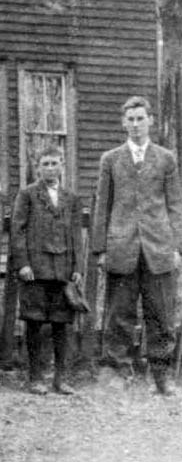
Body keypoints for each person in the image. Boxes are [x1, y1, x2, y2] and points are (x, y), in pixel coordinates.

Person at [92, 95, 182, 395]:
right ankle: (115, 373)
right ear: (123, 123)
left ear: (150, 121)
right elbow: (102, 206)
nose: (135, 125)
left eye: (140, 119)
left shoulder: (166, 159)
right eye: (130, 120)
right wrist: (101, 249)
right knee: (119, 314)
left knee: (161, 314)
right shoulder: (111, 160)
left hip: (158, 249)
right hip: (122, 247)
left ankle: (161, 375)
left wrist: (177, 247)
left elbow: (175, 206)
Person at [11, 145, 83, 395]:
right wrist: (23, 264)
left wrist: (77, 267)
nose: (50, 168)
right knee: (35, 324)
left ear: (63, 165)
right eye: (45, 164)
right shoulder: (27, 194)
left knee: (61, 324)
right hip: (35, 270)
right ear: (37, 167)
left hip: (62, 270)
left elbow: (75, 234)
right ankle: (36, 377)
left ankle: (60, 379)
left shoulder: (71, 198)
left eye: (54, 163)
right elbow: (17, 231)